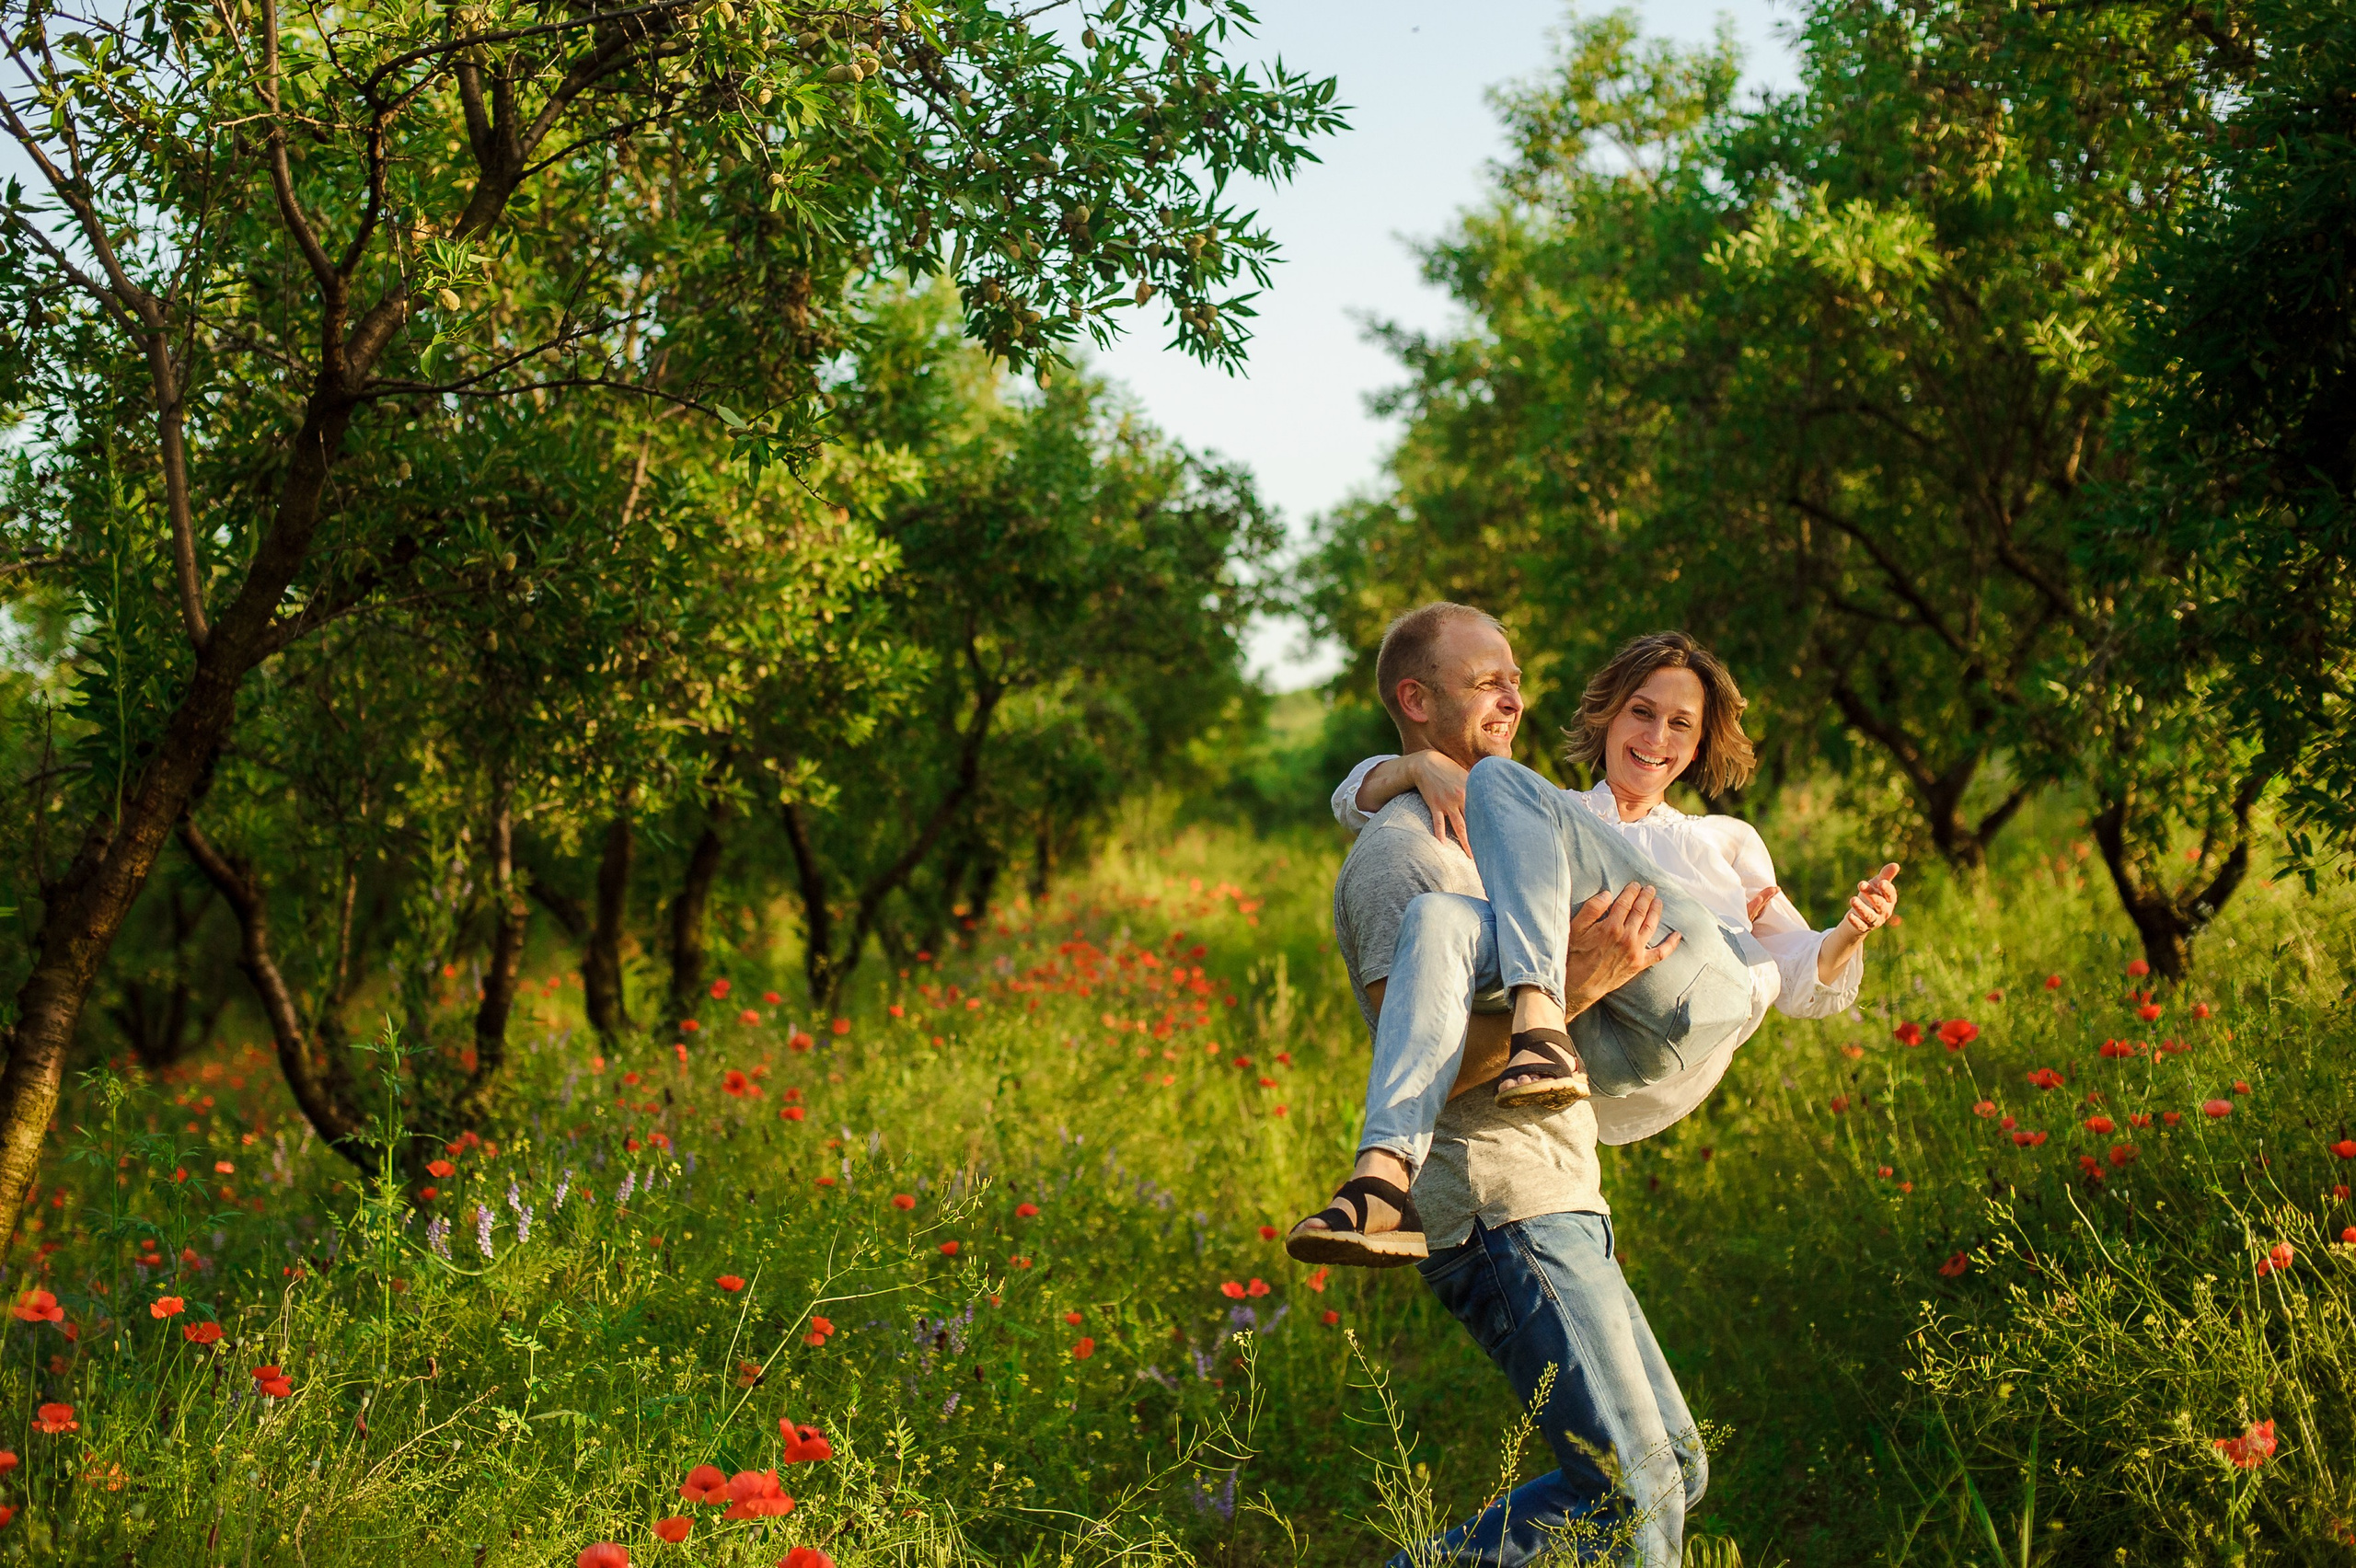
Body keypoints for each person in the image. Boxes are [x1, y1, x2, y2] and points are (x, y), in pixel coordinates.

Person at [1308, 602, 1713, 1566]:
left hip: (1561, 1191)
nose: (1513, 695)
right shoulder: (1397, 857)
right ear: (1415, 698)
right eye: (1486, 679)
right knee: (1628, 1490)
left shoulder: (1501, 829)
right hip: (1496, 1207)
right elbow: (1423, 1070)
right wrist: (1579, 987)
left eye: (1516, 677)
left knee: (1674, 1471)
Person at [1295, 627, 1900, 1269]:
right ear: (1608, 716)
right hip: (1607, 1043)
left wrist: (1848, 933)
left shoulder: (1721, 841)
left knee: (1497, 781)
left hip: (1696, 995)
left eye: (1679, 725)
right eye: (1641, 713)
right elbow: (1350, 798)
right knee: (1437, 916)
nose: (1655, 738)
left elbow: (1804, 973)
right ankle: (1383, 1179)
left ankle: (1538, 1019)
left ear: (1697, 746)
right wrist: (1416, 764)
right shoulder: (1551, 814)